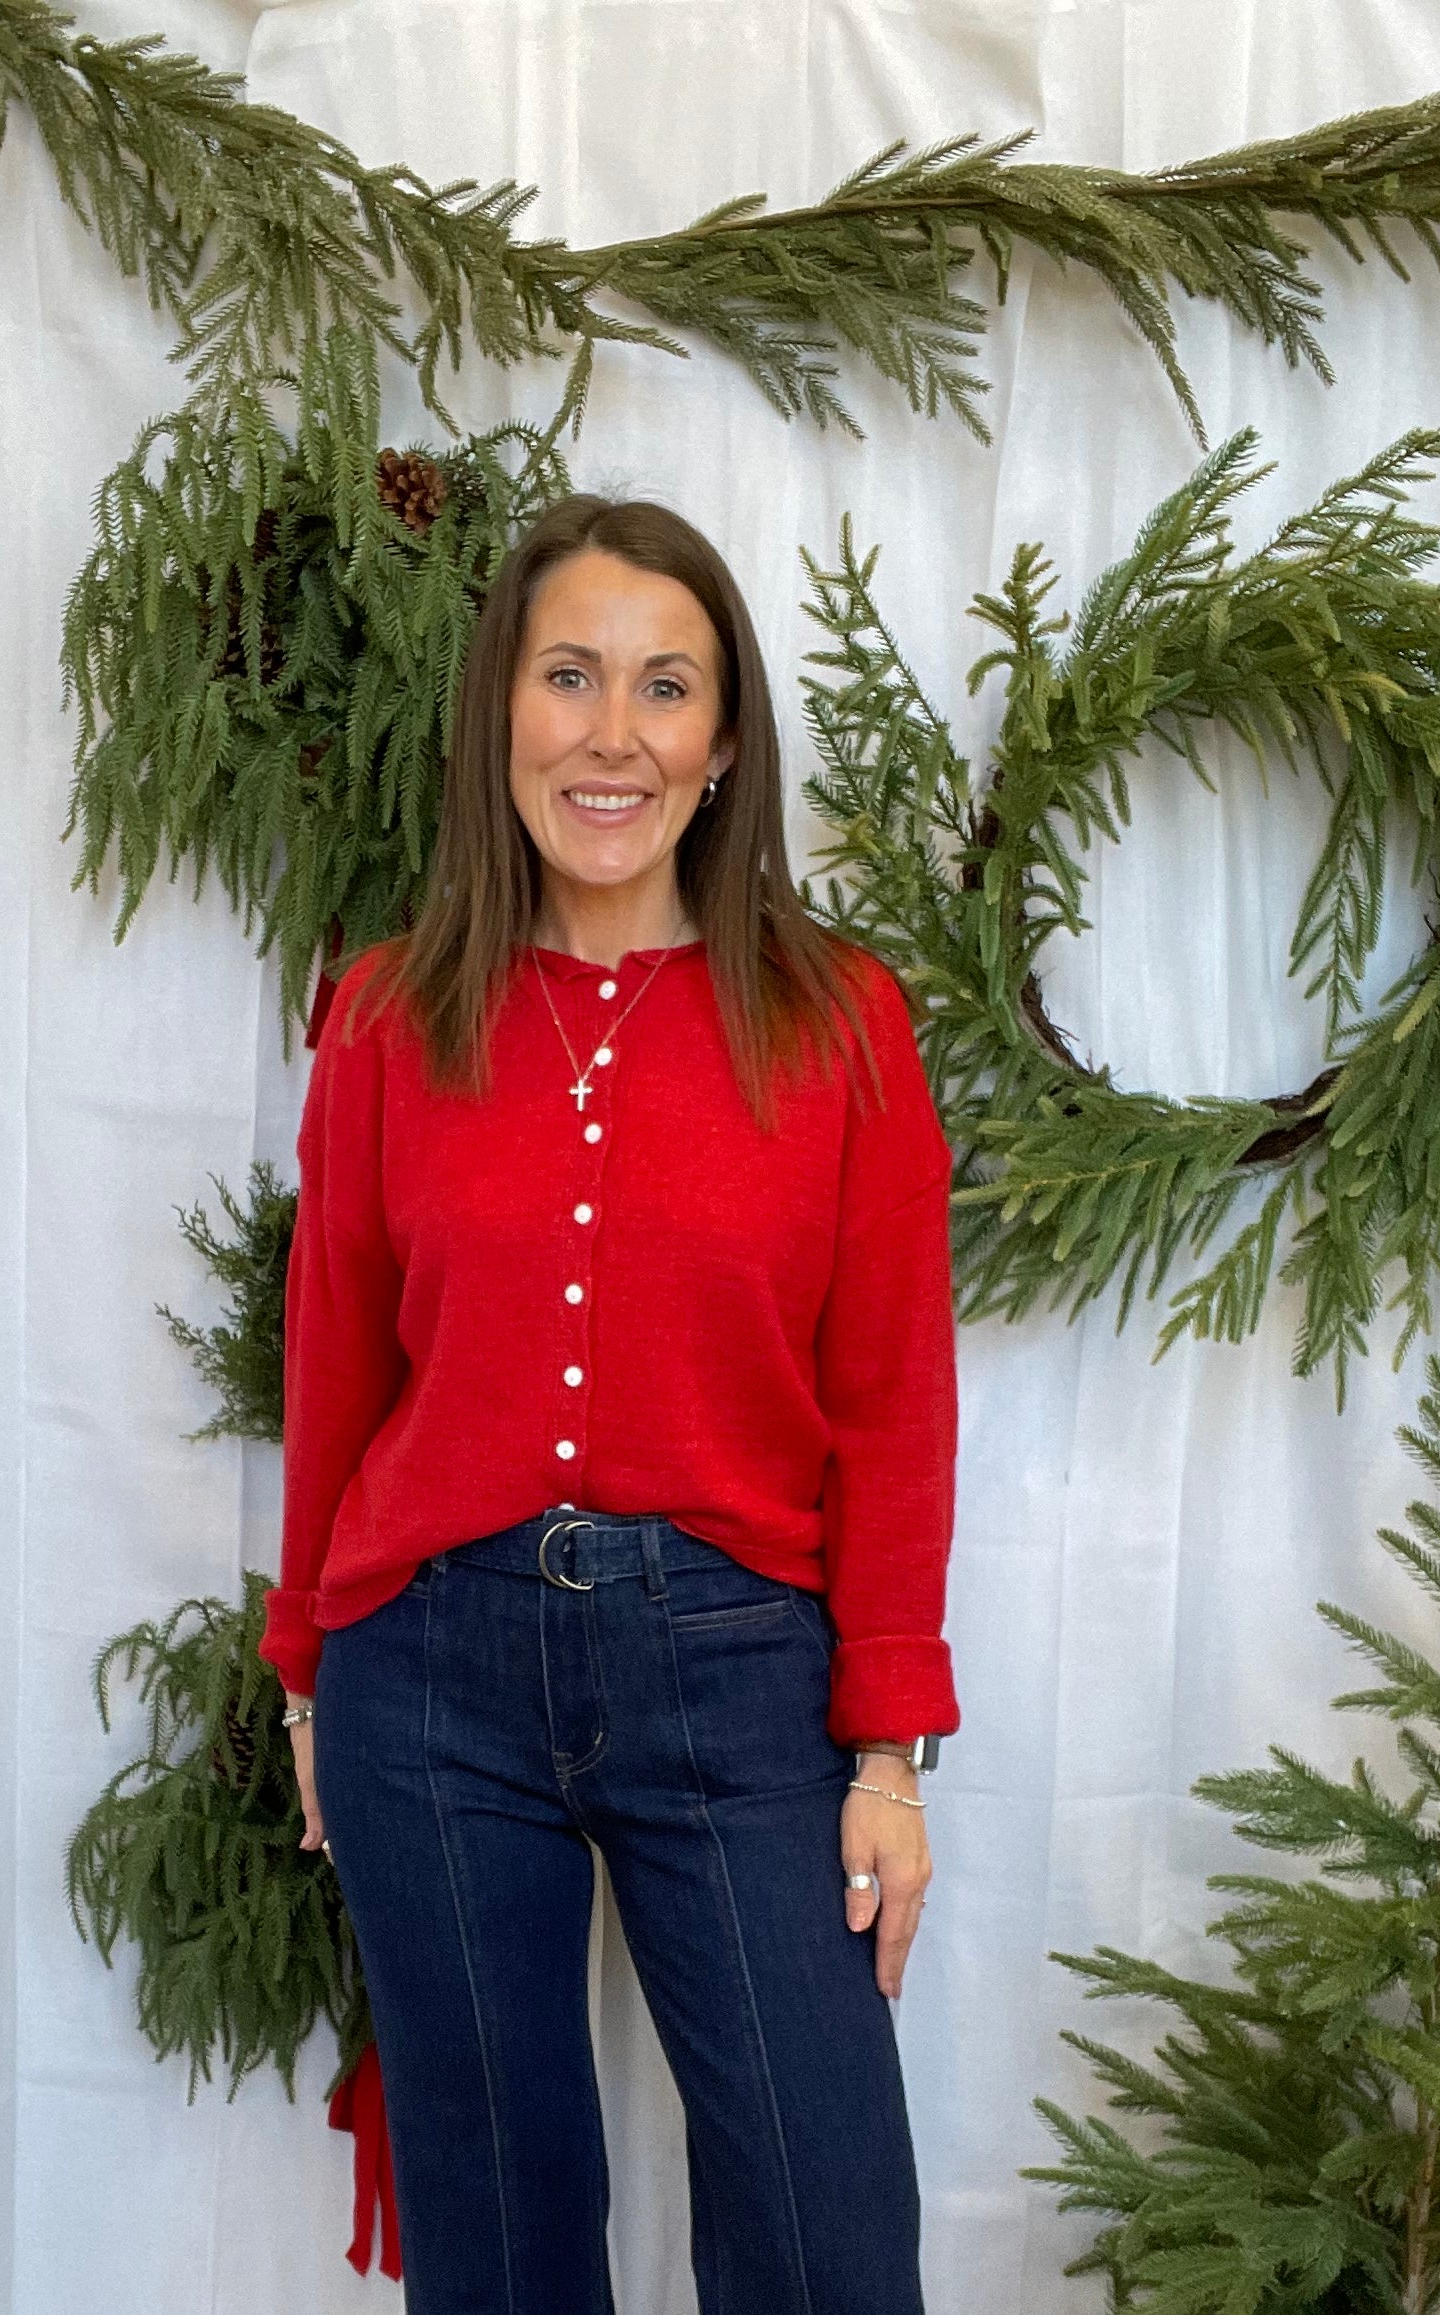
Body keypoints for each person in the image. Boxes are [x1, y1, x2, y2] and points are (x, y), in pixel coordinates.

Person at [259, 493, 957, 2315]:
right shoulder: (388, 1019)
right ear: (502, 712)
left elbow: (893, 1397)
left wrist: (887, 1751)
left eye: (666, 687)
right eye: (570, 676)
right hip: (432, 1679)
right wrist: (311, 1672)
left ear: (722, 746)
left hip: (742, 1673)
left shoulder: (838, 1020)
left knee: (825, 2234)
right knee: (498, 2243)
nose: (613, 733)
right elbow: (338, 1359)